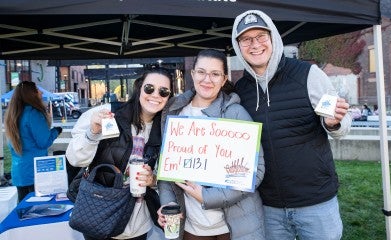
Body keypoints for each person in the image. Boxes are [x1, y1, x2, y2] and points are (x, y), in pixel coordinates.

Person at [231, 10, 352, 240]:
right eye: (246, 39)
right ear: (238, 46)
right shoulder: (241, 90)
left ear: (273, 37)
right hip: (268, 207)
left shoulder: (308, 74)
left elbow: (342, 126)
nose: (254, 44)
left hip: (316, 203)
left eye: (261, 36)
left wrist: (333, 123)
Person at [157, 49, 266, 240]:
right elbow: (166, 169)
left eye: (215, 74)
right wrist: (167, 205)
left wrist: (207, 197)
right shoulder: (176, 112)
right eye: (201, 72)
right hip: (192, 227)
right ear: (192, 74)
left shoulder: (236, 113)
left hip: (234, 227)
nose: (207, 79)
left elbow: (255, 172)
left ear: (224, 79)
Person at [65, 68, 173, 240]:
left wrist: (152, 180)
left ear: (169, 97)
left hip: (137, 224)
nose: (155, 95)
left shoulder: (165, 129)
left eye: (163, 91)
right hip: (99, 215)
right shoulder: (109, 114)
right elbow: (75, 159)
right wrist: (92, 132)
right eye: (149, 88)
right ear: (139, 88)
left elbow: (169, 175)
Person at [4, 81, 62, 202]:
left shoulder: (13, 114)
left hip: (19, 172)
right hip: (36, 172)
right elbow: (44, 142)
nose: (40, 92)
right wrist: (56, 131)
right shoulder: (33, 113)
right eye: (37, 90)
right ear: (31, 94)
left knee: (23, 211)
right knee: (38, 210)